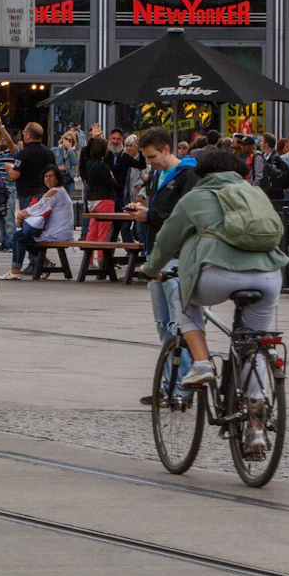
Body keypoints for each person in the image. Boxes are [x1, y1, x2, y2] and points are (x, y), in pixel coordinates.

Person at [143, 148, 288, 452]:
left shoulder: (195, 197)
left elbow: (167, 239)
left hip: (218, 274)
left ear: (201, 173)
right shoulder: (254, 193)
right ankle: (254, 426)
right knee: (253, 343)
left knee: (185, 300)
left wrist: (151, 269)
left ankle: (202, 362)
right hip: (269, 276)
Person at [120, 126, 198, 401]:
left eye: (152, 156)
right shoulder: (158, 175)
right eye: (146, 158)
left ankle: (183, 387)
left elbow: (183, 218)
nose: (149, 162)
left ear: (167, 149)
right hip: (157, 254)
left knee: (179, 325)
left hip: (177, 256)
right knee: (163, 324)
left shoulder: (188, 174)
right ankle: (169, 384)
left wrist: (149, 215)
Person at [7, 123, 58, 273]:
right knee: (39, 229)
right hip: (44, 194)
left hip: (28, 195)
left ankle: (35, 262)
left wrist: (9, 171)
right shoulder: (49, 153)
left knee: (27, 229)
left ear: (28, 135)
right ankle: (39, 261)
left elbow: (15, 174)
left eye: (24, 132)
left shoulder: (24, 153)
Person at [12, 165, 75, 275]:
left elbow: (38, 208)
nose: (48, 179)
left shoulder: (55, 191)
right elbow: (39, 208)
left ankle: (15, 271)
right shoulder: (60, 190)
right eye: (45, 176)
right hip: (62, 231)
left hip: (57, 233)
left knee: (19, 237)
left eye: (51, 176)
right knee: (26, 236)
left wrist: (21, 214)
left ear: (57, 178)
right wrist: (24, 214)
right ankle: (45, 262)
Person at [80, 136, 121, 270]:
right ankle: (103, 260)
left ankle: (89, 261)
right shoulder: (102, 166)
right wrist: (112, 176)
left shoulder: (89, 164)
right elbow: (112, 183)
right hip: (104, 199)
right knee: (104, 230)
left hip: (92, 200)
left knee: (92, 230)